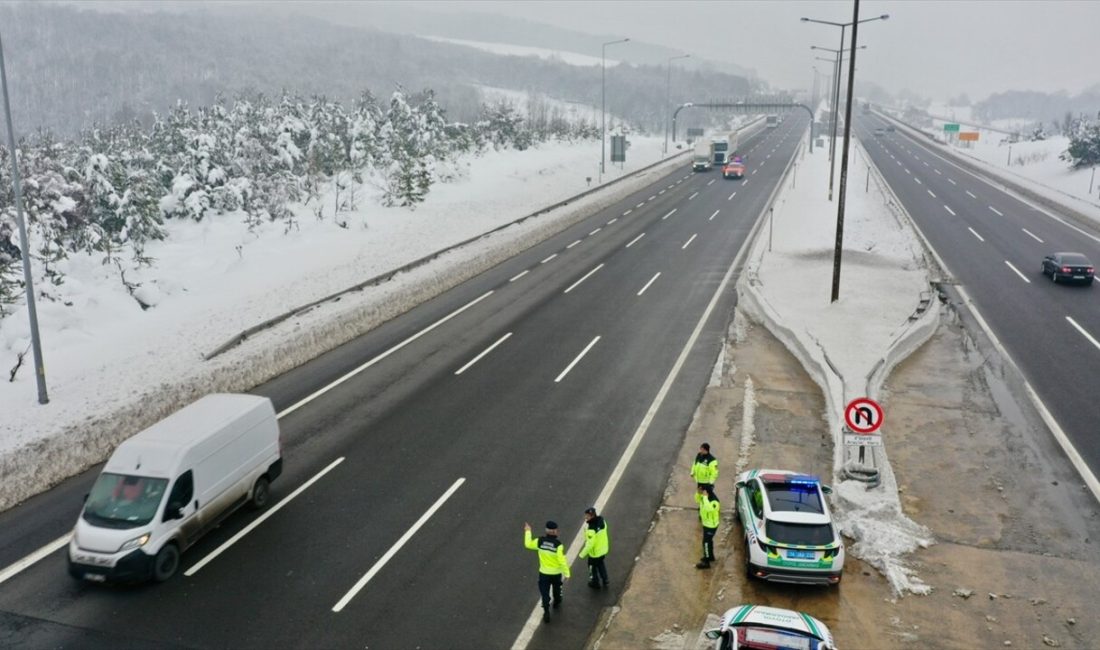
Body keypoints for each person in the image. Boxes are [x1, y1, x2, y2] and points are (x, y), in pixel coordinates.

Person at [524, 521, 570, 623]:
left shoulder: (540, 541)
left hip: (544, 573)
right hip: (556, 574)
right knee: (557, 589)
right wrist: (567, 573)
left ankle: (546, 612)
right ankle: (557, 601)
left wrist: (528, 531)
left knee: (545, 593)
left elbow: (528, 544)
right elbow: (562, 561)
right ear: (554, 532)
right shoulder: (558, 545)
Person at [579, 507, 610, 589]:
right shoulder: (602, 521)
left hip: (595, 553)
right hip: (603, 549)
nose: (585, 517)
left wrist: (582, 554)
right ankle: (605, 579)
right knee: (601, 564)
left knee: (592, 567)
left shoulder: (591, 529)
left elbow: (590, 544)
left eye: (587, 516)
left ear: (592, 516)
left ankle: (595, 582)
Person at [695, 485, 720, 569]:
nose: (701, 492)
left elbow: (709, 509)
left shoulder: (714, 501)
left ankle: (706, 562)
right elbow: (697, 500)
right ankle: (710, 556)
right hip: (706, 523)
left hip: (711, 526)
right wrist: (698, 494)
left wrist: (705, 498)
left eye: (702, 490)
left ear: (706, 492)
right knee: (709, 541)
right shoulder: (704, 496)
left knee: (706, 542)